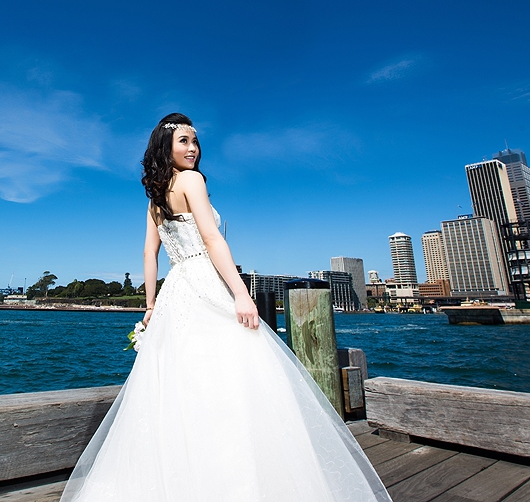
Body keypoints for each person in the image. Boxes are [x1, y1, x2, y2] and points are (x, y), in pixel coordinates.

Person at [59, 113, 391, 502]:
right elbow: (213, 239)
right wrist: (241, 293)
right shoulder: (192, 181)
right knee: (234, 370)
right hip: (204, 281)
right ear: (166, 147)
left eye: (195, 141)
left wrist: (150, 305)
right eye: (184, 141)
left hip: (176, 290)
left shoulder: (155, 198)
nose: (193, 148)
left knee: (181, 380)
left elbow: (150, 254)